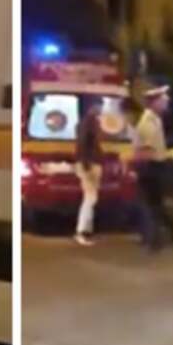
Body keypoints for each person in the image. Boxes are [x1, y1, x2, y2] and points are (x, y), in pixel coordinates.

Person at [129, 92, 173, 252]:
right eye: (163, 101)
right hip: (150, 166)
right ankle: (153, 240)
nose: (166, 104)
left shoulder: (155, 119)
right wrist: (141, 169)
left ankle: (158, 236)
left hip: (154, 164)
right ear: (154, 102)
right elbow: (147, 149)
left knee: (154, 203)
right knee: (150, 205)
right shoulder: (148, 122)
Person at [73, 99, 103, 246]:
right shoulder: (89, 123)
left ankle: (87, 231)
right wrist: (86, 164)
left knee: (90, 198)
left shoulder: (88, 122)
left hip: (89, 163)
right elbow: (84, 144)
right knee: (90, 198)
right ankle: (81, 231)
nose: (101, 109)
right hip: (89, 164)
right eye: (99, 106)